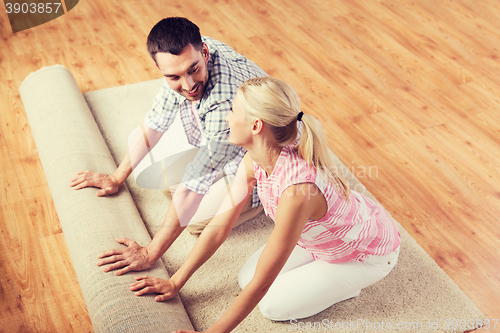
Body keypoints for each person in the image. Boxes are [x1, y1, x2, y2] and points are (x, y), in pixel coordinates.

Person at [128, 77, 402, 333]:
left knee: (272, 306)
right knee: (246, 279)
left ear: (256, 126)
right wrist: (176, 281)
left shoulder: (297, 192)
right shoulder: (254, 159)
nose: (227, 116)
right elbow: (220, 225)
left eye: (233, 110)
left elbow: (262, 286)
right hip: (319, 241)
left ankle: (347, 288)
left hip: (366, 255)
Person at [70, 17, 266, 275]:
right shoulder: (185, 52)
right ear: (158, 65)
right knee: (162, 179)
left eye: (193, 70)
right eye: (174, 76)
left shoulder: (224, 103)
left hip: (257, 163)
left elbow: (192, 189)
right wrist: (116, 178)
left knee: (195, 221)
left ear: (204, 53)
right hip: (222, 144)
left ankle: (261, 202)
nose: (187, 85)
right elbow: (156, 121)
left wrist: (149, 252)